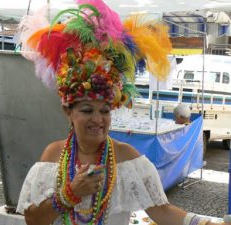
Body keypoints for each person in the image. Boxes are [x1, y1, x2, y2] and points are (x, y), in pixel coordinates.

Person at [16, 1, 230, 225]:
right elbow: (33, 219)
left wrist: (207, 223)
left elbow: (162, 212)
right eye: (87, 110)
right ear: (67, 111)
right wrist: (70, 194)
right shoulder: (54, 155)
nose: (97, 119)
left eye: (105, 110)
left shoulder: (127, 157)